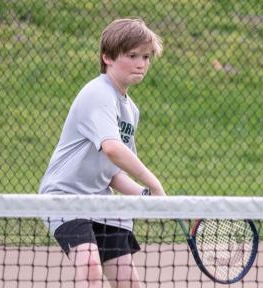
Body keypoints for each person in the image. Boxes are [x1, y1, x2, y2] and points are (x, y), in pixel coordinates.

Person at [38, 18, 165, 288]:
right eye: (132, 55)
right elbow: (113, 149)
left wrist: (145, 197)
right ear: (107, 57)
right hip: (65, 199)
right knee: (90, 267)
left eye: (145, 56)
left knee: (128, 281)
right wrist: (154, 184)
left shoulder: (131, 109)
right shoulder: (98, 93)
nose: (141, 63)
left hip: (102, 203)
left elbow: (113, 170)